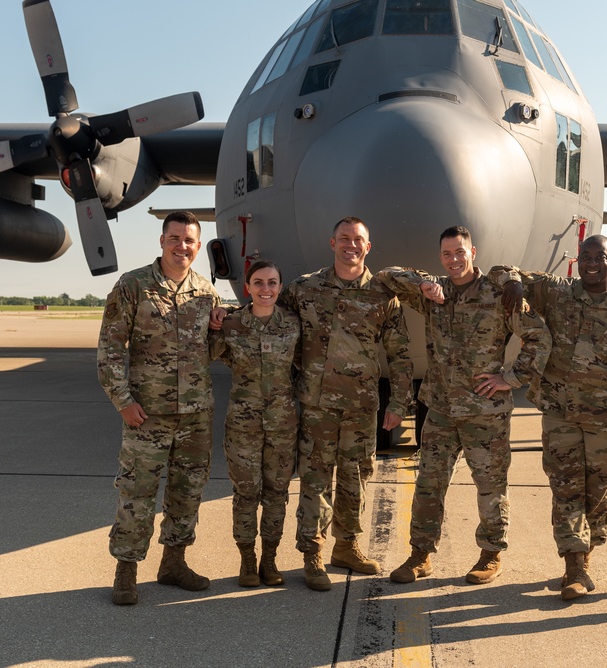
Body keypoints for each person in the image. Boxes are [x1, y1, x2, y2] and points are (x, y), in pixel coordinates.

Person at [379, 226, 551, 586]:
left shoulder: (497, 293)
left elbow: (538, 337)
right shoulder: (433, 294)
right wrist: (422, 282)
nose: (454, 260)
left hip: (484, 412)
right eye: (446, 254)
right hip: (440, 409)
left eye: (460, 252)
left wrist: (512, 378)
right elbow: (386, 277)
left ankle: (491, 554)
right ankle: (421, 554)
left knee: (490, 487)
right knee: (428, 485)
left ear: (473, 253)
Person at [489, 235, 607, 600]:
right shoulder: (556, 291)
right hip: (560, 412)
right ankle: (574, 566)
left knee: (598, 491)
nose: (591, 263)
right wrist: (511, 282)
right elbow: (498, 270)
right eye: (585, 256)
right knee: (565, 487)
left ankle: (586, 553)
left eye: (599, 257)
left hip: (606, 417)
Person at [279, 216, 413, 591]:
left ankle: (347, 546)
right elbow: (272, 322)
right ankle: (312, 554)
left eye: (358, 239)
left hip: (361, 405)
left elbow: (400, 355)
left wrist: (400, 402)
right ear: (332, 243)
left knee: (356, 477)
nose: (351, 245)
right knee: (315, 478)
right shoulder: (304, 289)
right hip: (316, 403)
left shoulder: (384, 295)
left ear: (368, 247)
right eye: (344, 238)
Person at [97, 210, 221, 606]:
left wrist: (226, 326)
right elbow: (110, 349)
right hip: (146, 414)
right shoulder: (132, 286)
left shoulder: (207, 292)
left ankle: (173, 564)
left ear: (198, 246)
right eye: (174, 238)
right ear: (162, 241)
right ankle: (126, 571)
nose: (181, 246)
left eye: (189, 240)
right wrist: (124, 402)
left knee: (188, 493)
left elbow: (213, 351)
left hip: (196, 415)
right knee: (137, 494)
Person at [212, 260, 300, 587]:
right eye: (259, 283)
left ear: (280, 286)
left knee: (277, 493)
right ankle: (247, 559)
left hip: (282, 425)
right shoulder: (232, 325)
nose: (266, 289)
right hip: (242, 426)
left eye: (273, 283)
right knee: (246, 493)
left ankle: (270, 559)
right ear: (247, 287)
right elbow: (209, 354)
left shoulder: (293, 324)